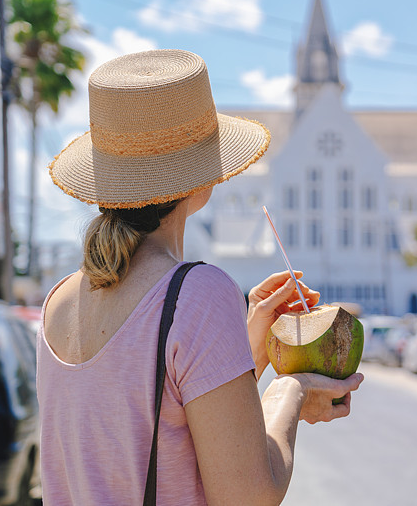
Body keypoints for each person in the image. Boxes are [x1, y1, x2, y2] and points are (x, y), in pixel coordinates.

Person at [37, 49, 363, 505]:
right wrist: (290, 389)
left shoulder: (60, 301)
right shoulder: (198, 293)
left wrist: (244, 344)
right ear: (200, 179)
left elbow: (157, 420)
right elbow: (248, 497)